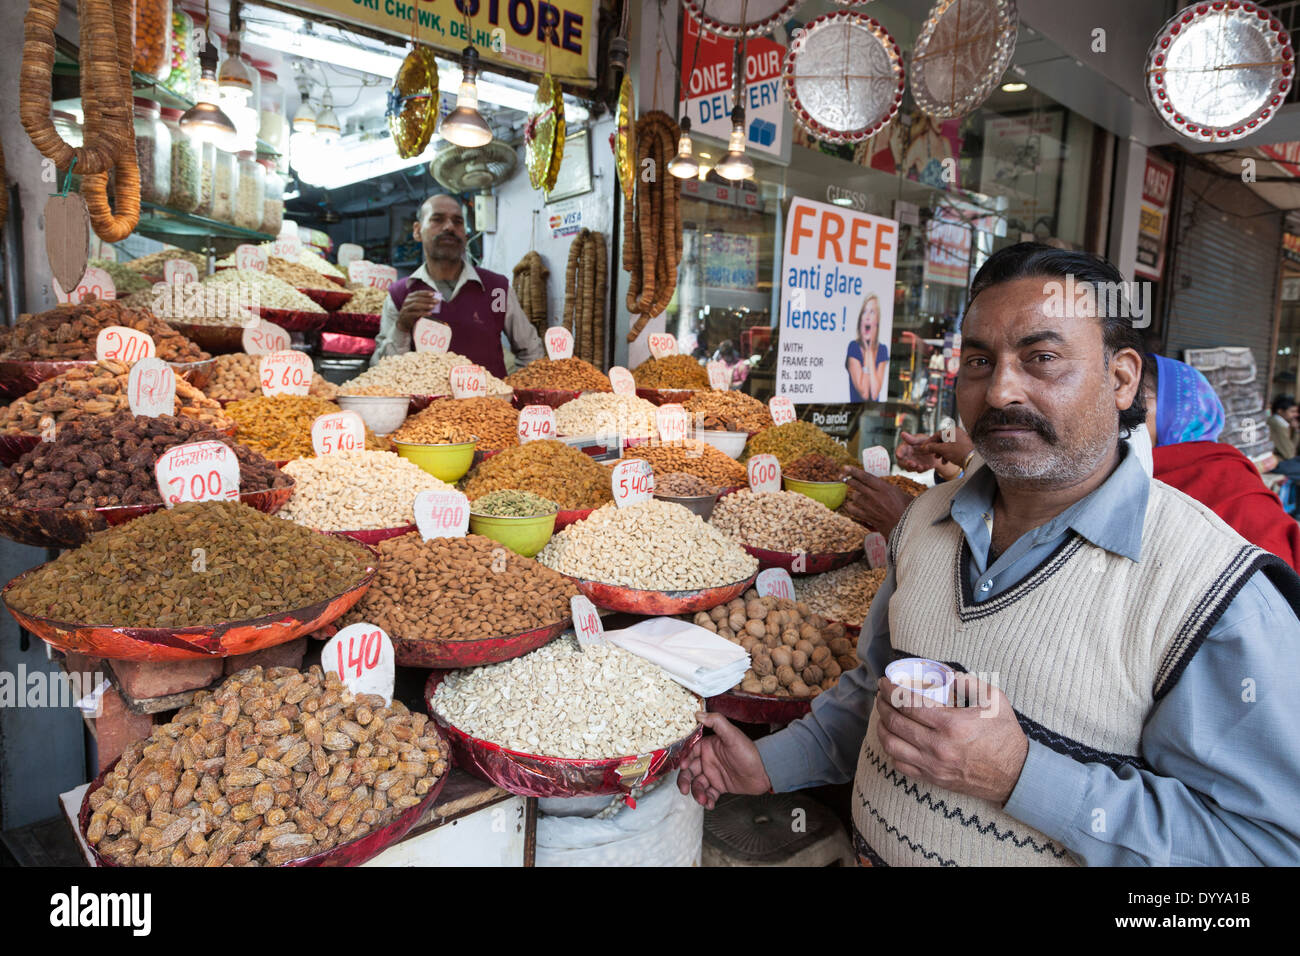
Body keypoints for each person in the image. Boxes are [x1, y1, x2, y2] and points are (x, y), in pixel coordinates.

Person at [678, 242, 1300, 866]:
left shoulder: (1213, 592)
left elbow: (1266, 851)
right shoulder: (925, 520)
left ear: (1121, 379)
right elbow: (874, 694)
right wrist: (767, 765)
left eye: (1043, 358)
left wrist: (1020, 775)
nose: (1001, 389)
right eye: (979, 360)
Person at [1144, 355, 1300, 573]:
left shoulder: (1228, 480)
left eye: (1138, 399)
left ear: (1179, 411)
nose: (1122, 411)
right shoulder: (1125, 470)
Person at [372, 194, 544, 375]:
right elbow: (381, 371)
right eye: (437, 220)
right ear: (417, 231)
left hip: (490, 402)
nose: (449, 227)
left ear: (465, 232)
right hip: (425, 403)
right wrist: (402, 326)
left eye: (458, 222)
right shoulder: (401, 295)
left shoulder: (495, 290)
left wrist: (515, 392)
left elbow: (531, 349)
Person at [846, 294, 889, 402]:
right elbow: (865, 393)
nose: (867, 316)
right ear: (860, 320)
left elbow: (874, 394)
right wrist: (867, 354)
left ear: (877, 321)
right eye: (864, 312)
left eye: (872, 312)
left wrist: (869, 351)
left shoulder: (882, 350)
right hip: (854, 413)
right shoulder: (854, 347)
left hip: (874, 413)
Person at [1268, 395, 1300, 482]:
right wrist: (1296, 432)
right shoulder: (1277, 425)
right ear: (1280, 411)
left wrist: (1296, 431)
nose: (1296, 415)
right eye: (1292, 411)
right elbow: (1289, 454)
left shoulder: (1282, 424)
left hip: (1282, 460)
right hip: (1274, 463)